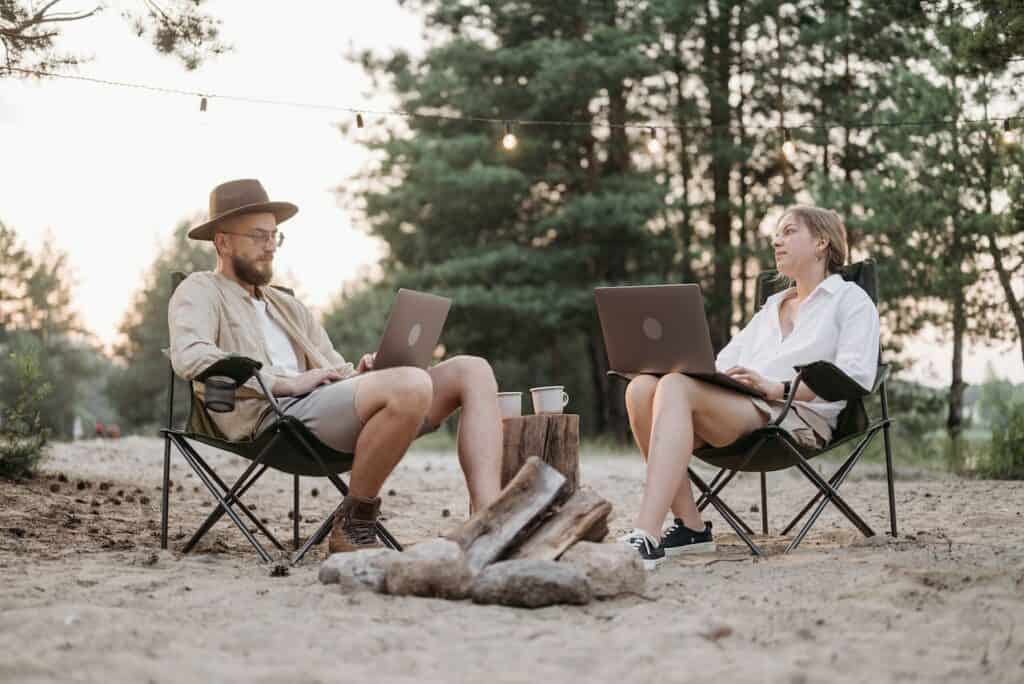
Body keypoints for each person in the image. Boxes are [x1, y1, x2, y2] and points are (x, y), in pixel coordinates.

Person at [169, 179, 503, 554]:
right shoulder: (201, 290)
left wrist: (363, 374)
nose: (269, 247)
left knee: (471, 370)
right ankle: (353, 525)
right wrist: (283, 384)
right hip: (276, 419)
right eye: (258, 236)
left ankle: (489, 522)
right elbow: (189, 355)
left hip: (322, 407)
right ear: (223, 241)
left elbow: (333, 369)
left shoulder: (287, 306)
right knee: (410, 385)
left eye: (275, 236)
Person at [620, 206, 880, 569]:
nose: (776, 240)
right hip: (744, 408)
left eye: (789, 231)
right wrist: (684, 369)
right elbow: (721, 365)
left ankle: (645, 534)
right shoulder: (770, 308)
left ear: (822, 243)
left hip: (795, 417)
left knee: (675, 388)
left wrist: (777, 388)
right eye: (776, 233)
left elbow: (856, 377)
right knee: (643, 389)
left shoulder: (850, 301)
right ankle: (691, 529)